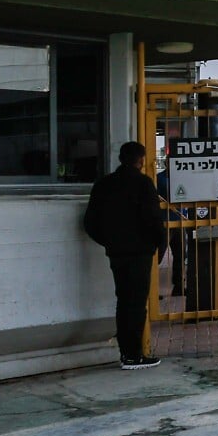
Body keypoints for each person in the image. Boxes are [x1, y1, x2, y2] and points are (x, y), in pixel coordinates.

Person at [83, 141, 166, 369]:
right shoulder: (143, 184)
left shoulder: (103, 184)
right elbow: (154, 220)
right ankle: (133, 355)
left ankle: (126, 353)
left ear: (121, 158)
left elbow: (90, 222)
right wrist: (157, 244)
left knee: (123, 301)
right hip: (140, 253)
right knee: (137, 304)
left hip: (117, 253)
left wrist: (109, 241)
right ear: (141, 160)